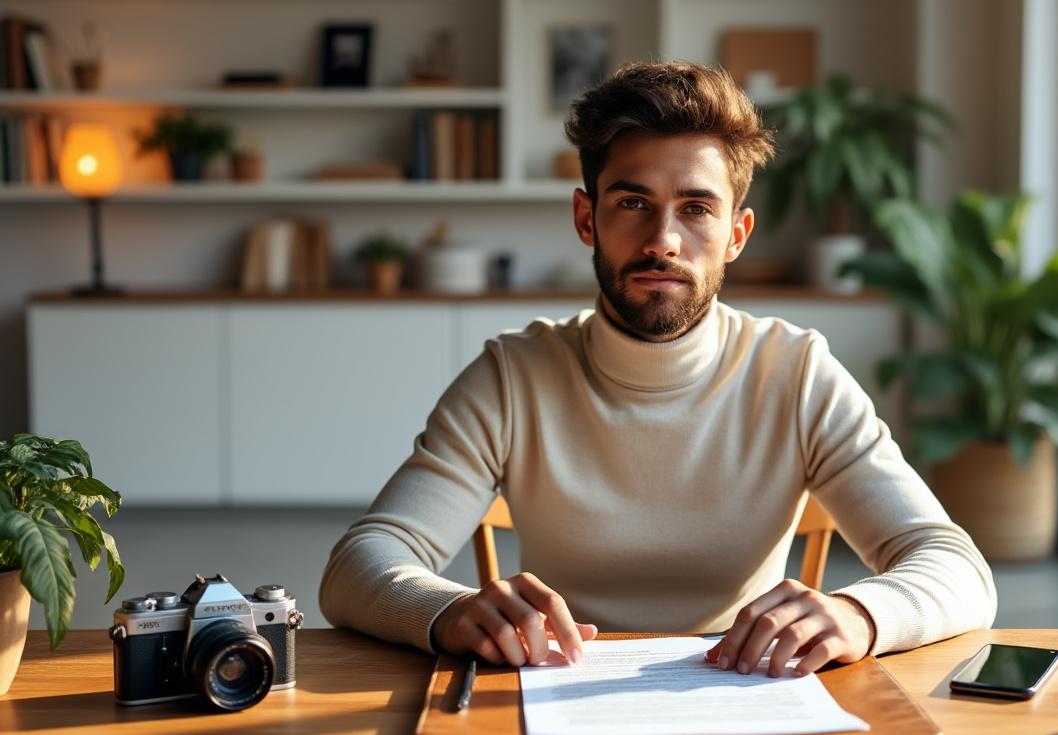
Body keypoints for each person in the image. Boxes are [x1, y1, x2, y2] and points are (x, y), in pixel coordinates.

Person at [320, 61, 996, 679]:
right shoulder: (513, 376)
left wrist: (858, 614)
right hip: (553, 695)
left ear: (737, 233)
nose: (662, 242)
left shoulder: (796, 373)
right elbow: (360, 565)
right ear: (587, 218)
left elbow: (956, 568)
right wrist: (446, 609)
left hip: (747, 697)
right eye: (632, 203)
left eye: (696, 209)